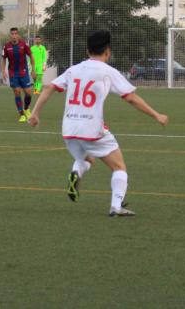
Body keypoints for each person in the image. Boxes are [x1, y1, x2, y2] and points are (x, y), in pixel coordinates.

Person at [28, 30, 168, 216]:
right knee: (119, 167)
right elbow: (131, 98)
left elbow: (48, 87)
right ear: (107, 51)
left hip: (69, 129)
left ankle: (76, 173)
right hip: (91, 129)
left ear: (87, 50)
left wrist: (35, 114)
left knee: (86, 158)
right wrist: (156, 115)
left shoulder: (74, 69)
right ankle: (116, 207)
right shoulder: (108, 72)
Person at [1, 27, 36, 122]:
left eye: (15, 34)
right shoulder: (6, 46)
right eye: (12, 34)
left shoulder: (24, 44)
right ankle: (22, 114)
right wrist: (3, 71)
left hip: (23, 72)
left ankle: (26, 109)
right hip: (13, 73)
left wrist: (33, 70)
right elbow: (3, 59)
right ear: (10, 35)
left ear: (18, 35)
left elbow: (31, 56)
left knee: (28, 93)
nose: (14, 36)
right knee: (17, 91)